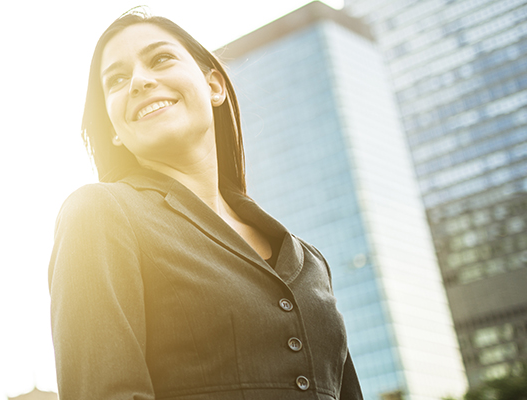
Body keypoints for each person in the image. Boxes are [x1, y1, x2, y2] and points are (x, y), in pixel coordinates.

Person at [48, 10, 363, 400]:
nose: (140, 82)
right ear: (113, 130)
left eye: (160, 58)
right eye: (116, 80)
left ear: (215, 86)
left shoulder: (310, 260)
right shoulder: (97, 214)